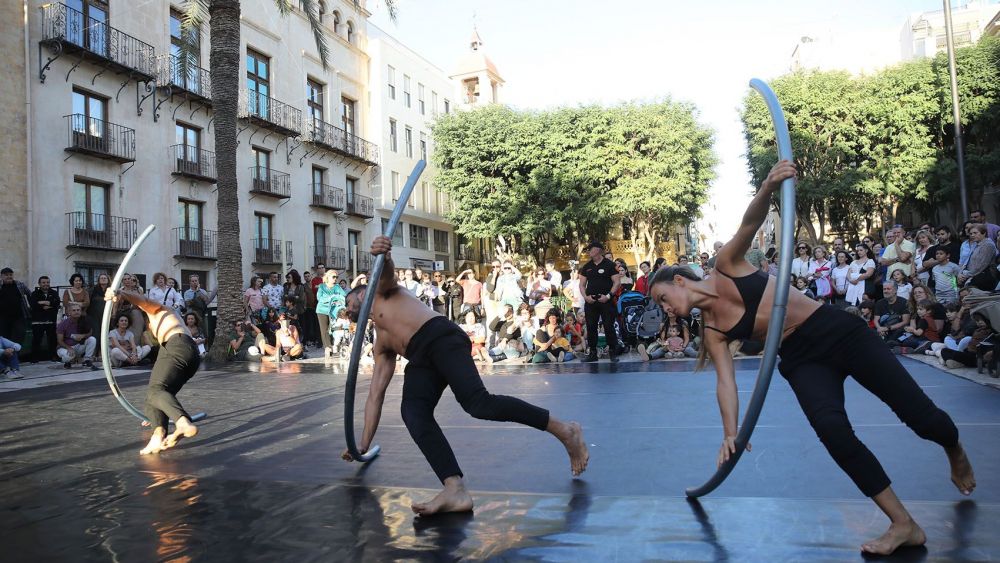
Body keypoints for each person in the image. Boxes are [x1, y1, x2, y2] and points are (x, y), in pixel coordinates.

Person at [647, 159, 974, 555]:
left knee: (919, 417)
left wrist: (768, 187)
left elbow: (748, 225)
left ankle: (953, 447)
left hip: (837, 331)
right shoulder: (713, 330)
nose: (665, 308)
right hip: (802, 359)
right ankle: (903, 523)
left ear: (679, 281)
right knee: (833, 433)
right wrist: (730, 432)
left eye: (663, 298)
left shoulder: (726, 267)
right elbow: (725, 382)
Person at [342, 235, 589, 515]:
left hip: (440, 337)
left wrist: (385, 256)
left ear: (364, 293)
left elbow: (385, 274)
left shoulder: (383, 292)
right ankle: (454, 488)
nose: (349, 310)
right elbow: (375, 395)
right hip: (421, 358)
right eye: (349, 311)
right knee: (413, 412)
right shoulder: (382, 344)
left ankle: (565, 430)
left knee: (478, 404)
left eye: (352, 302)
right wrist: (361, 443)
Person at [105, 285, 200, 455]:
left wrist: (121, 293)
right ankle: (157, 436)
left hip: (177, 345)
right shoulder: (170, 321)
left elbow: (144, 301)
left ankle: (182, 422)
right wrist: (153, 412)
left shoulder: (158, 310)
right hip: (191, 355)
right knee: (155, 395)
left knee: (156, 391)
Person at [579, 241, 621, 363]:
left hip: (606, 301)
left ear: (597, 250)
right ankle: (592, 352)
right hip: (591, 301)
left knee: (608, 326)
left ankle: (613, 351)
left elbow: (617, 283)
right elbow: (581, 285)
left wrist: (608, 296)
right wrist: (586, 297)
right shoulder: (587, 266)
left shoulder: (610, 265)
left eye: (590, 249)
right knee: (591, 327)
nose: (589, 251)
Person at [30, 276, 60, 362]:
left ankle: (53, 356)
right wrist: (46, 305)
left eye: (47, 282)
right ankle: (34, 358)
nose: (46, 284)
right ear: (39, 284)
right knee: (37, 339)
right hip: (38, 321)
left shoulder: (54, 293)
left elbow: (56, 303)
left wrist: (43, 302)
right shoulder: (34, 293)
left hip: (51, 320)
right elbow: (33, 305)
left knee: (52, 339)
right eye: (43, 282)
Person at [56, 303, 96, 369]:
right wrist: (69, 348)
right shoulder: (63, 324)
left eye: (78, 310)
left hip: (78, 346)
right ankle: (67, 362)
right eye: (74, 310)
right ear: (69, 312)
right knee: (68, 356)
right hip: (65, 347)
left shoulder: (85, 320)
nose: (76, 312)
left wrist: (83, 336)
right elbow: (59, 341)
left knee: (92, 339)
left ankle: (87, 360)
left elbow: (90, 332)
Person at [957, 224, 997, 290]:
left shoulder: (988, 245)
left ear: (983, 233)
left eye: (975, 233)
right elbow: (967, 261)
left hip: (984, 277)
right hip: (972, 275)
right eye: (971, 233)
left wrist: (965, 275)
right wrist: (960, 273)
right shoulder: (976, 243)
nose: (972, 235)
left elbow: (981, 266)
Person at [316, 270, 345, 357]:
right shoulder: (321, 287)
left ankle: (335, 345)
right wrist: (332, 298)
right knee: (324, 329)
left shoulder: (337, 287)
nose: (335, 279)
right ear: (327, 277)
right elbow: (319, 298)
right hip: (322, 310)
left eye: (337, 277)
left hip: (334, 310)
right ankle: (327, 347)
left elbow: (343, 296)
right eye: (333, 277)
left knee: (334, 328)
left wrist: (335, 299)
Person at [87, 274, 112, 338]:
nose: (103, 279)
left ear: (108, 280)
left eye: (105, 278)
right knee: (96, 332)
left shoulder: (111, 290)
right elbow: (88, 301)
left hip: (107, 315)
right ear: (98, 280)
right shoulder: (93, 290)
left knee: (106, 332)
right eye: (101, 278)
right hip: (94, 315)